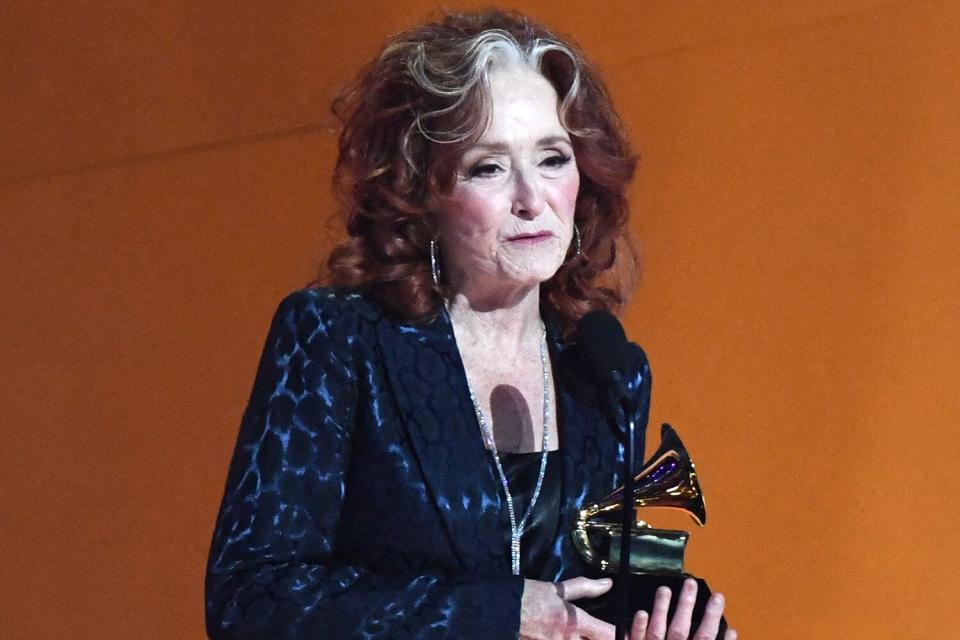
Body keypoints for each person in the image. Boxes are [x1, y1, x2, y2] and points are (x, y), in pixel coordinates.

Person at [205, 10, 736, 640]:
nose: (531, 199)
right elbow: (251, 599)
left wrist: (666, 620)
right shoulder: (338, 339)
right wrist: (497, 614)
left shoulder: (603, 368)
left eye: (552, 158)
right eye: (489, 167)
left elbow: (603, 588)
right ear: (421, 191)